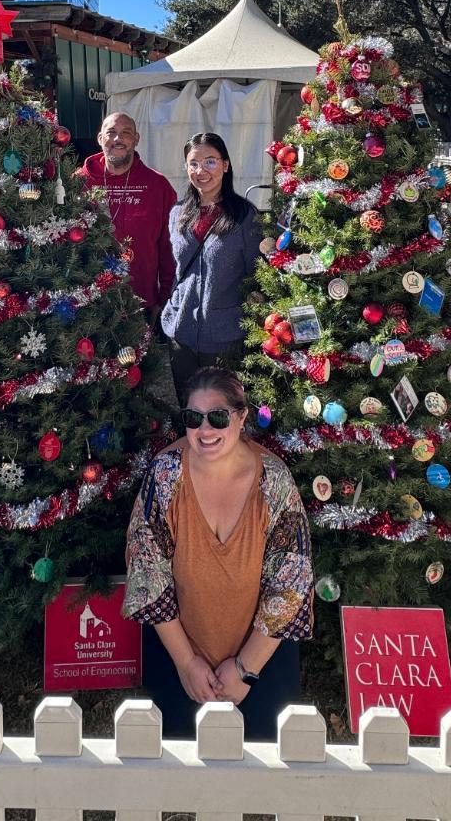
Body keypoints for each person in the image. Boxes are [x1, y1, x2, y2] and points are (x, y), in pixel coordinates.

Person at [124, 368, 313, 740]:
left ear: (241, 418)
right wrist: (187, 663)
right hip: (179, 652)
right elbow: (148, 571)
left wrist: (245, 668)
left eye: (218, 417)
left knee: (261, 770)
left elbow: (291, 581)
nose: (205, 431)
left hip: (261, 658)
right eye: (193, 419)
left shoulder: (272, 480)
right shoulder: (165, 476)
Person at [160, 133, 261, 402]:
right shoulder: (177, 213)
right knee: (188, 407)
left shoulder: (245, 216)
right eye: (193, 163)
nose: (201, 171)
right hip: (181, 332)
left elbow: (257, 275)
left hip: (225, 336)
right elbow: (179, 270)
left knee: (222, 411)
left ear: (225, 165)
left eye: (210, 162)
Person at [80, 112, 177, 322]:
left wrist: (164, 298)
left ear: (136, 139)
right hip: (87, 302)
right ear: (100, 139)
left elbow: (169, 246)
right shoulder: (78, 183)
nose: (118, 139)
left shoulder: (158, 186)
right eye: (111, 132)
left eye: (126, 133)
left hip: (141, 302)